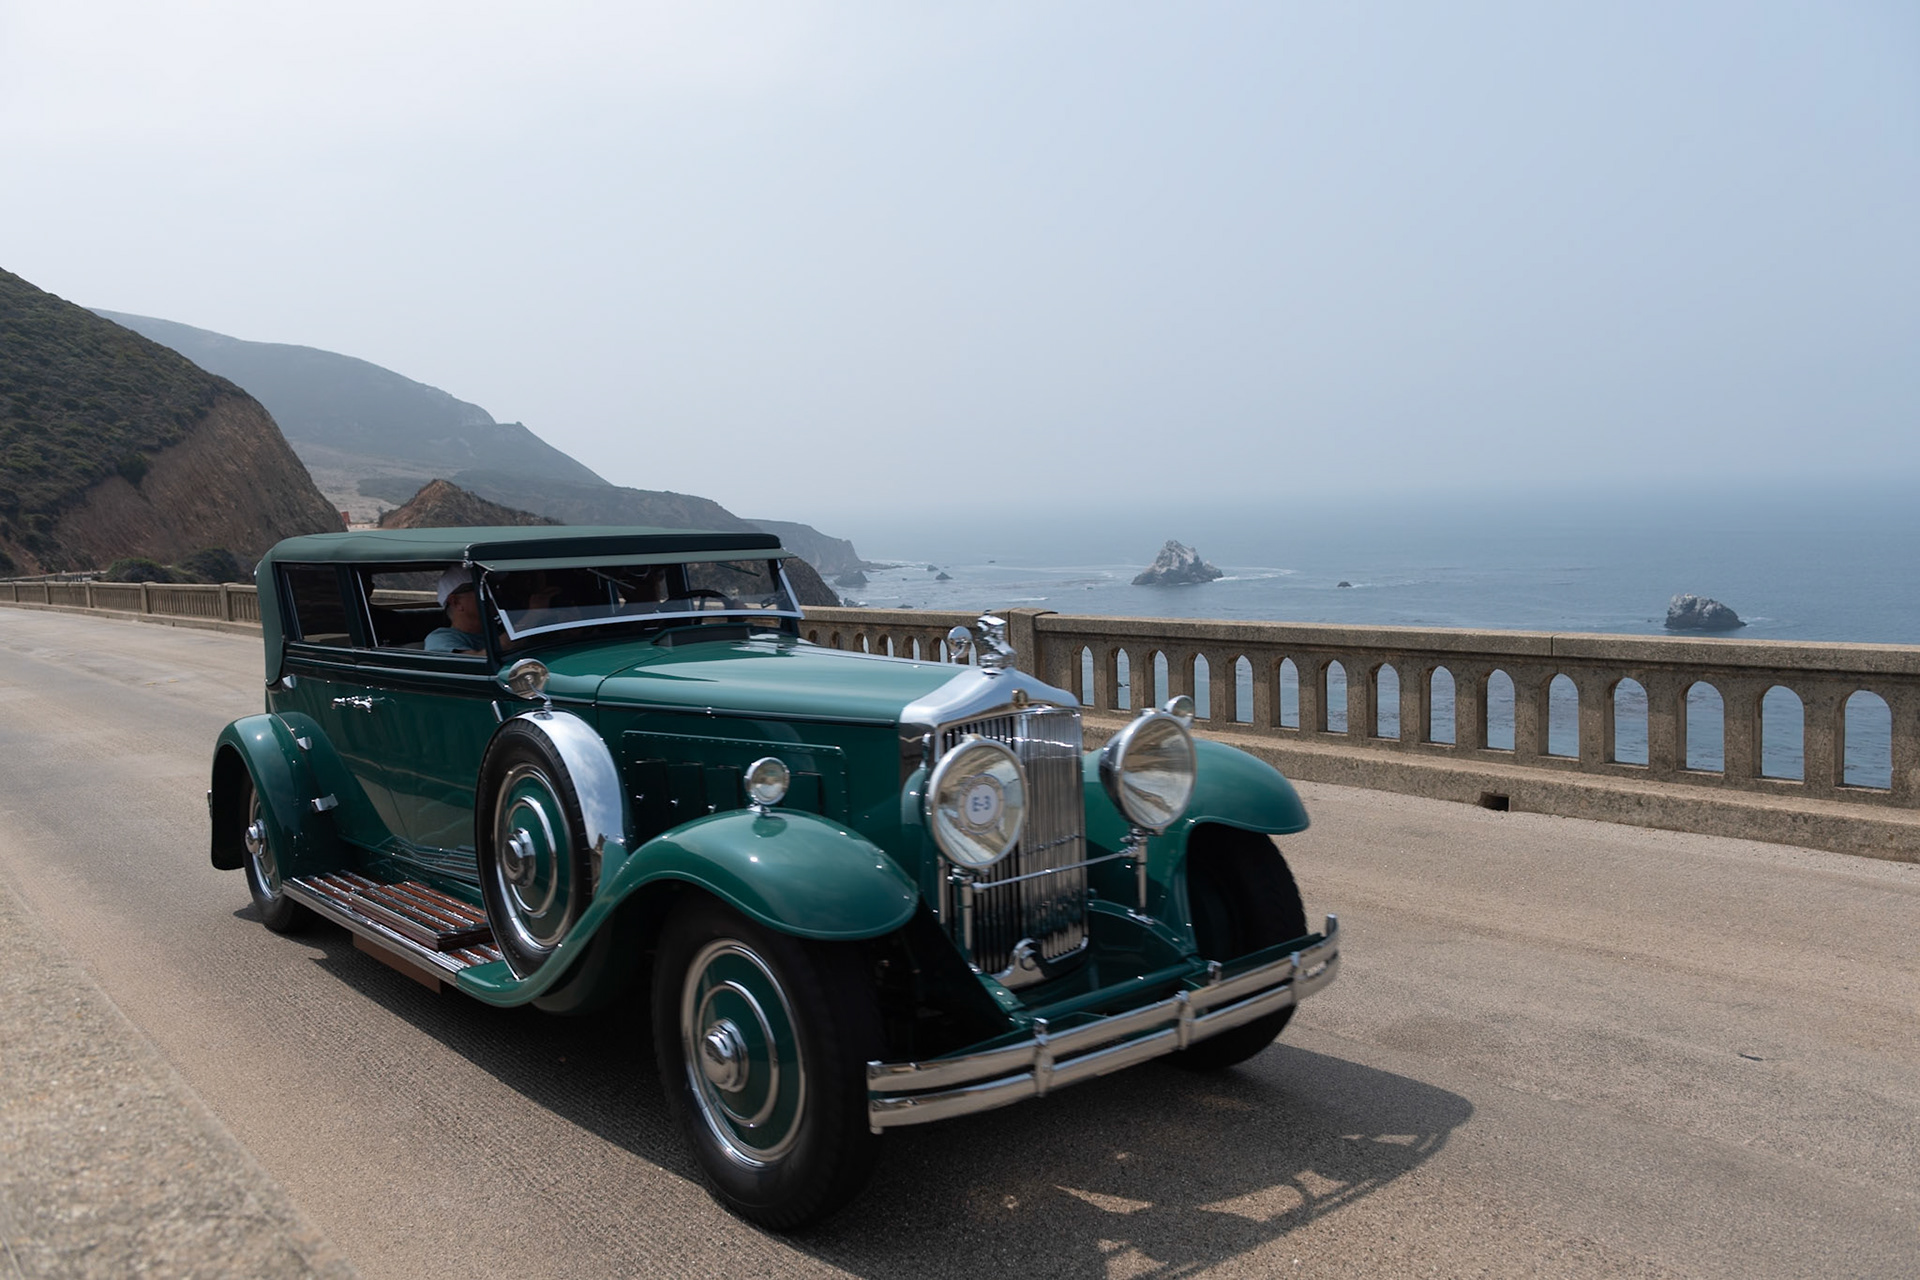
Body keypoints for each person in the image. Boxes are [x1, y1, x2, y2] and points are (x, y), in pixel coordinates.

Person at [425, 568, 488, 654]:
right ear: (456, 602)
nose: (494, 595)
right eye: (483, 589)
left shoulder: (498, 630)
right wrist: (507, 642)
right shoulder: (440, 639)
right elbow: (470, 663)